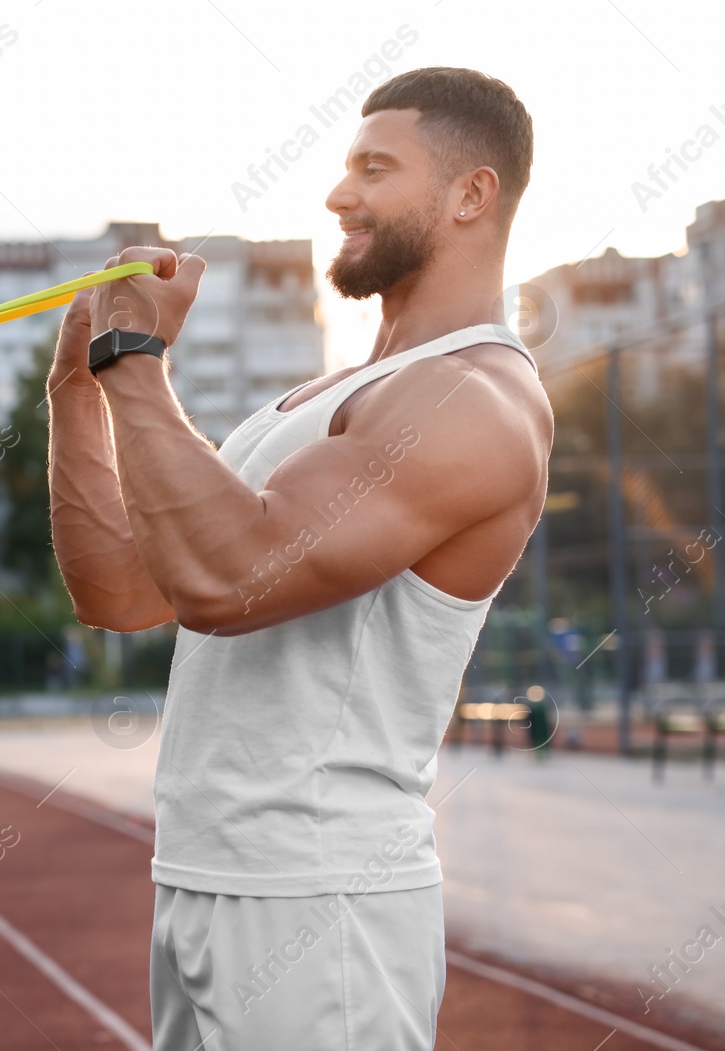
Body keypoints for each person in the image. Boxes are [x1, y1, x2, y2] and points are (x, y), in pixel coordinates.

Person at [47, 67, 551, 1049]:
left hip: (322, 896)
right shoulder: (318, 403)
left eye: (374, 169)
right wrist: (78, 382)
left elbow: (231, 579)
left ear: (468, 195)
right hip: (200, 873)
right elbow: (117, 588)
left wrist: (135, 363)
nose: (336, 195)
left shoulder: (473, 401)